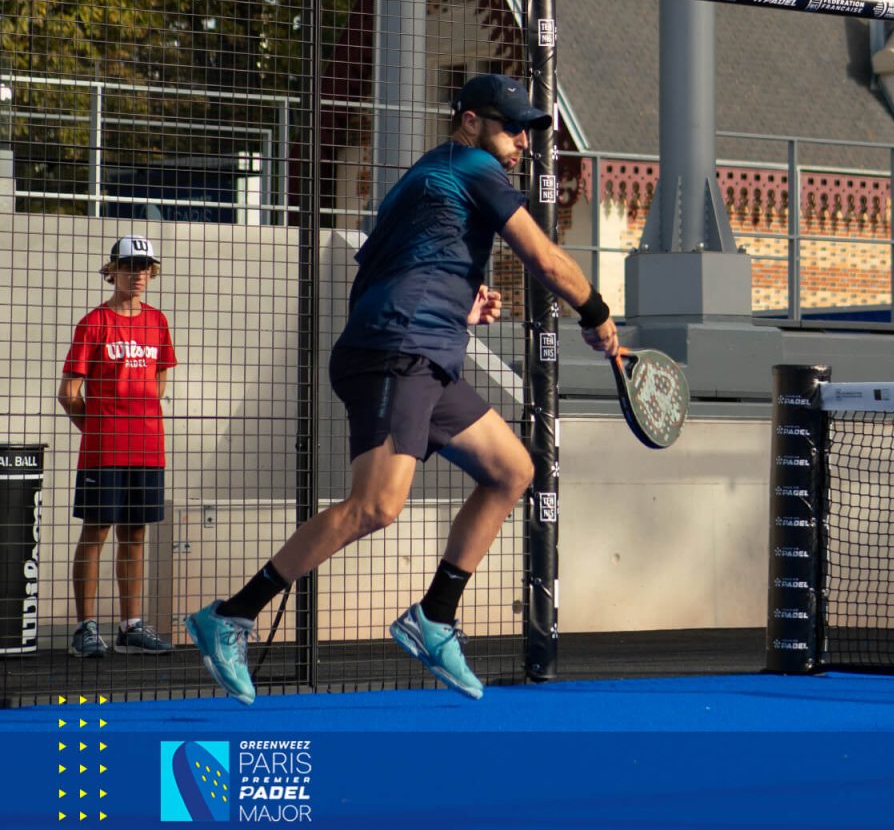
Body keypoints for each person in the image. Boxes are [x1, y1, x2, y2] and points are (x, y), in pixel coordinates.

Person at [185, 73, 619, 705]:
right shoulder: (472, 167)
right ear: (470, 122)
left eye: (527, 131)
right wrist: (597, 313)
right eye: (511, 128)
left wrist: (458, 306)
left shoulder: (429, 176)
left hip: (420, 352)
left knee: (512, 470)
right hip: (398, 354)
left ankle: (433, 618)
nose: (523, 141)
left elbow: (385, 272)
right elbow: (545, 260)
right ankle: (231, 615)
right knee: (376, 506)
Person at [58, 234, 177, 658]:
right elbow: (68, 393)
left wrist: (136, 414)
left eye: (144, 267)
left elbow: (160, 379)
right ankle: (86, 628)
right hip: (104, 448)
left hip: (148, 446)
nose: (137, 274)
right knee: (96, 530)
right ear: (111, 271)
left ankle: (131, 626)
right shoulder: (93, 323)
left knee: (136, 533)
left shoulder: (157, 322)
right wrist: (98, 427)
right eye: (128, 266)